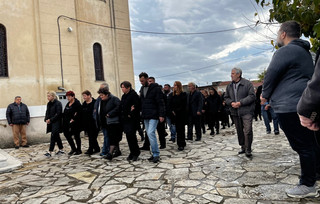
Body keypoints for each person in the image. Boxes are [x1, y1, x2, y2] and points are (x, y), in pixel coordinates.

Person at [261, 20, 318, 198]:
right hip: (303, 103)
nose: (278, 36)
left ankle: (308, 184)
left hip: (290, 106)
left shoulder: (285, 51)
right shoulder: (306, 52)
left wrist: (264, 95)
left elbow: (271, 74)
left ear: (283, 34)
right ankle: (314, 175)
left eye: (278, 32)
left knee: (303, 146)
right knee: (311, 144)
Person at [224, 67, 255, 157]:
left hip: (246, 111)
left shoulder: (247, 84)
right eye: (231, 73)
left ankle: (248, 149)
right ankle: (243, 147)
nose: (231, 75)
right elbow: (226, 97)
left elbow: (252, 96)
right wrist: (231, 103)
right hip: (235, 112)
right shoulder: (229, 86)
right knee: (239, 131)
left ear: (239, 74)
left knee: (248, 130)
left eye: (233, 73)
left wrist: (240, 103)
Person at [139, 72, 165, 163]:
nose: (141, 82)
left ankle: (156, 154)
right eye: (140, 81)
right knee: (149, 134)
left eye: (142, 80)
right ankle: (153, 153)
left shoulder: (156, 88)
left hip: (154, 114)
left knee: (150, 133)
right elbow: (141, 101)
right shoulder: (142, 89)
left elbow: (160, 102)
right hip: (146, 115)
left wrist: (161, 115)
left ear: (147, 79)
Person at [97, 87, 122, 161]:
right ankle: (117, 151)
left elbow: (119, 107)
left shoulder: (114, 99)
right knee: (112, 137)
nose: (101, 97)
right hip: (106, 122)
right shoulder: (102, 101)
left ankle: (110, 153)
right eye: (100, 95)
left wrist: (110, 114)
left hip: (114, 122)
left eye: (102, 95)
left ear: (107, 94)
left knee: (113, 137)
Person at [120, 81, 141, 161]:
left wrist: (130, 113)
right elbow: (122, 106)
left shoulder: (133, 95)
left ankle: (136, 152)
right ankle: (132, 152)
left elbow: (136, 106)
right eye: (121, 87)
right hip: (125, 119)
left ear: (128, 87)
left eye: (123, 87)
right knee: (129, 137)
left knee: (132, 136)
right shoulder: (124, 96)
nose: (122, 89)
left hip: (132, 119)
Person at [168, 81, 187, 151]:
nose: (174, 87)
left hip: (181, 114)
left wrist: (177, 110)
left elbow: (184, 105)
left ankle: (181, 143)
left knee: (181, 129)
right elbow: (169, 104)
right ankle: (180, 142)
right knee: (177, 129)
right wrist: (172, 111)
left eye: (176, 85)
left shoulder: (183, 94)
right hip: (174, 115)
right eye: (174, 85)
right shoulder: (171, 95)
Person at [44, 91, 64, 157]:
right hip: (51, 122)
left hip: (57, 122)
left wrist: (51, 119)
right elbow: (47, 112)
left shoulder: (58, 103)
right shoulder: (49, 104)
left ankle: (50, 151)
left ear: (53, 96)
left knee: (53, 135)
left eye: (49, 96)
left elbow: (58, 114)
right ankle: (61, 149)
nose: (48, 97)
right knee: (56, 136)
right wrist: (46, 119)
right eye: (47, 96)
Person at [62, 91, 82, 155]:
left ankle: (78, 149)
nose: (68, 98)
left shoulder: (77, 103)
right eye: (67, 97)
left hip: (75, 123)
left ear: (73, 96)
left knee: (76, 136)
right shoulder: (68, 104)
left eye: (69, 96)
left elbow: (79, 113)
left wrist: (74, 118)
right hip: (67, 122)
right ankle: (73, 148)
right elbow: (65, 112)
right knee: (67, 134)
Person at [82, 90, 100, 155]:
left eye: (85, 96)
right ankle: (97, 148)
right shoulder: (84, 104)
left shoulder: (95, 102)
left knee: (93, 136)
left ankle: (90, 149)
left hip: (94, 123)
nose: (84, 97)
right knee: (91, 136)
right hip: (87, 123)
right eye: (83, 96)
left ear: (89, 95)